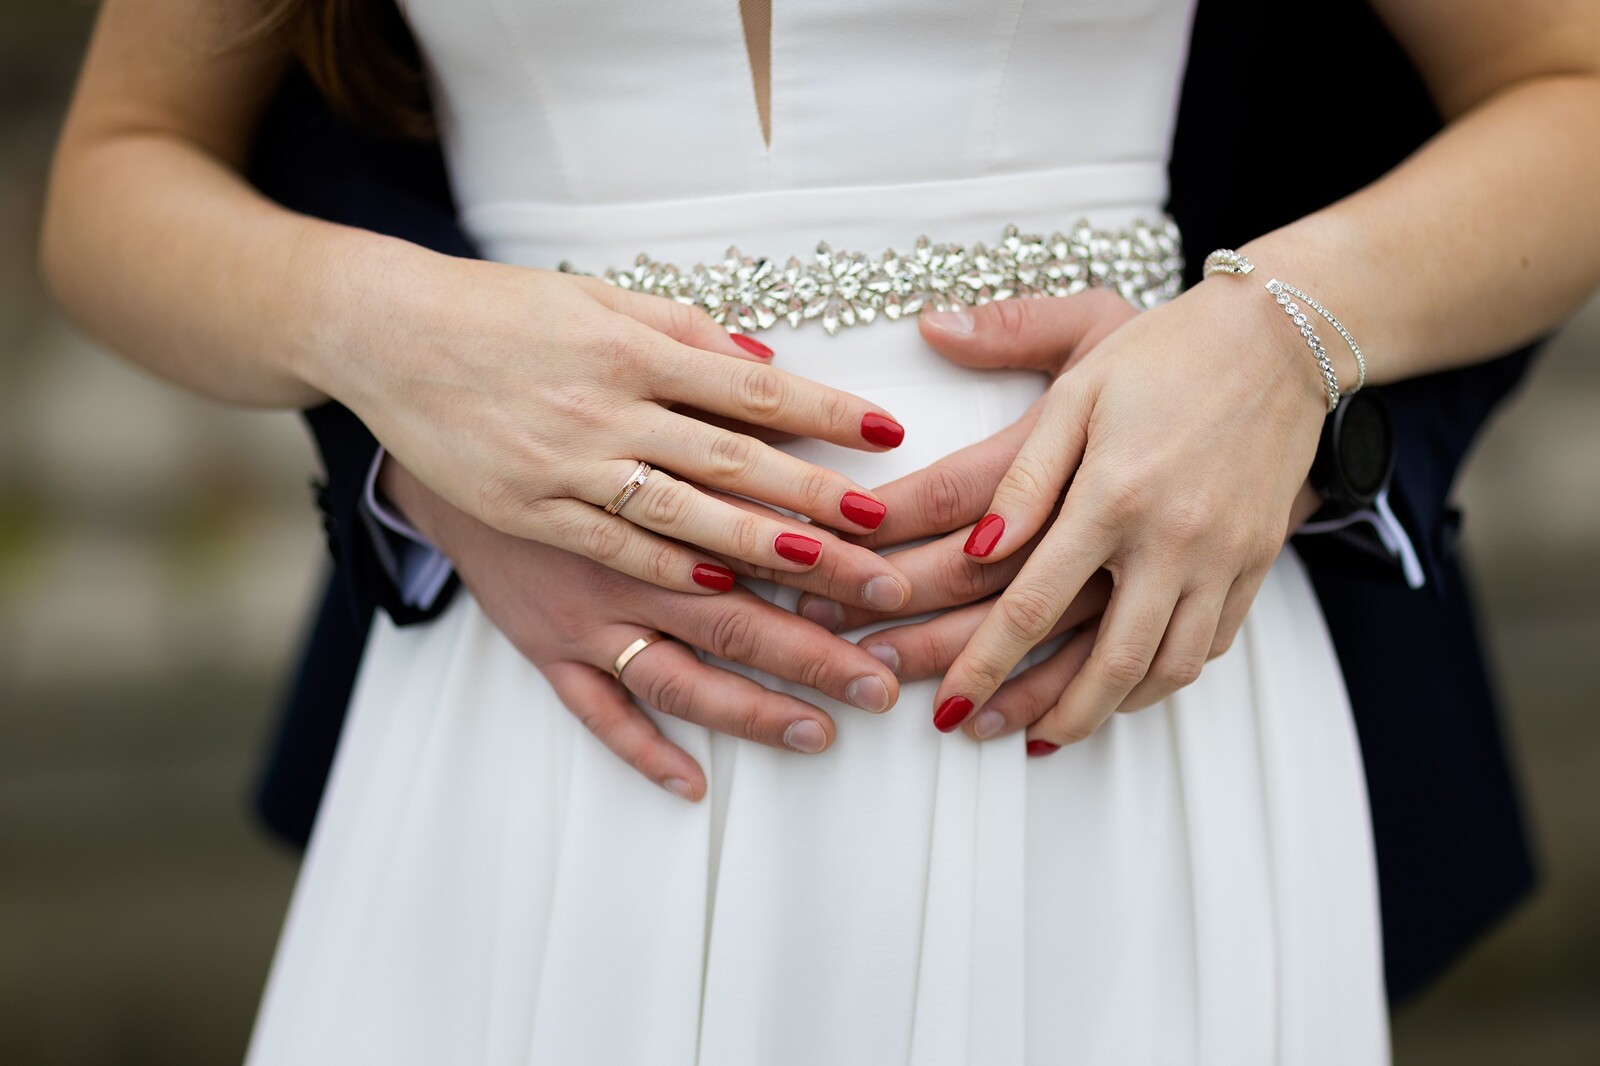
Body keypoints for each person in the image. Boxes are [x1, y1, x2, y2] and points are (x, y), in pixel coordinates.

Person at [40, 1, 1599, 1062]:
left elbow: (1565, 86)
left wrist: (1278, 341)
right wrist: (378, 336)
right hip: (551, 710)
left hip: (1099, 707)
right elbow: (116, 175)